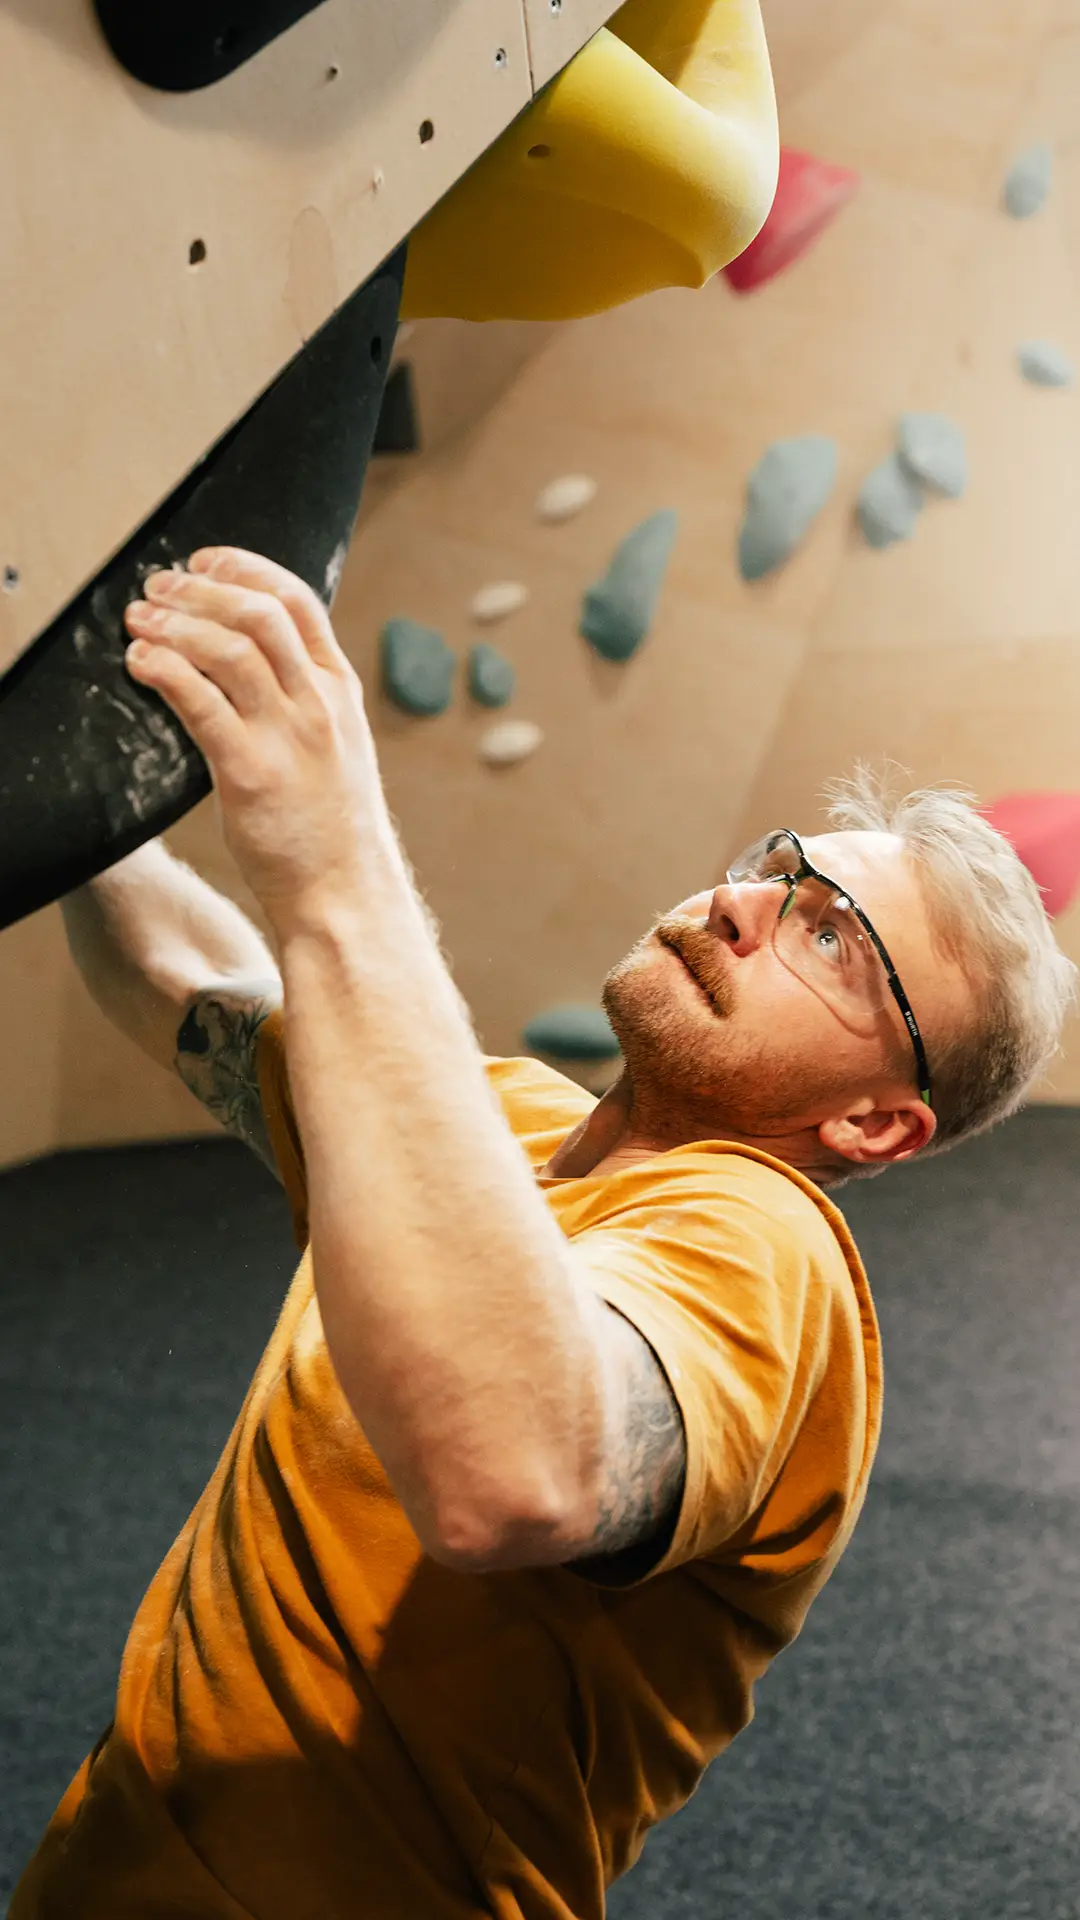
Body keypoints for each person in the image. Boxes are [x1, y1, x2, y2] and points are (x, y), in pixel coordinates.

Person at [11, 550, 1075, 1919]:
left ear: (876, 1127)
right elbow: (191, 982)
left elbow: (511, 1473)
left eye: (835, 940)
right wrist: (69, 764)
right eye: (780, 869)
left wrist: (338, 865)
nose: (747, 905)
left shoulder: (770, 1246)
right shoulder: (496, 1125)